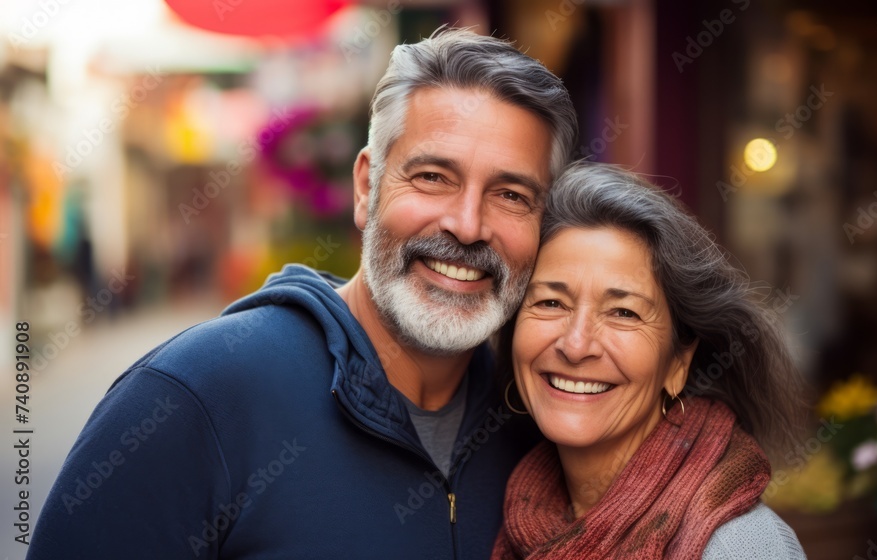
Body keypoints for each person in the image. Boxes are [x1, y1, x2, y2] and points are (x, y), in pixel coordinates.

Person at [27, 28, 577, 559]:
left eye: (510, 194)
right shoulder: (193, 398)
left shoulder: (543, 423)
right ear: (367, 187)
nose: (467, 224)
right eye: (434, 177)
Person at [492, 163, 807, 559]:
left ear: (678, 363)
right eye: (551, 302)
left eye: (624, 312)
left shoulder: (739, 547)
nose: (575, 345)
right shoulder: (513, 508)